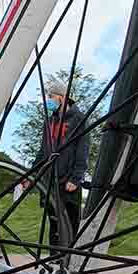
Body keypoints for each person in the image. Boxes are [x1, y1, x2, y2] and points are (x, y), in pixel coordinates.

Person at [33, 90, 90, 252]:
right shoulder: (49, 121)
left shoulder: (79, 119)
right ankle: (54, 262)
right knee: (54, 224)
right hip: (50, 181)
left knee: (69, 224)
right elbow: (43, 150)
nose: (48, 100)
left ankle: (68, 261)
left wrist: (76, 177)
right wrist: (32, 174)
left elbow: (83, 148)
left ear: (62, 97)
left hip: (68, 181)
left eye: (51, 97)